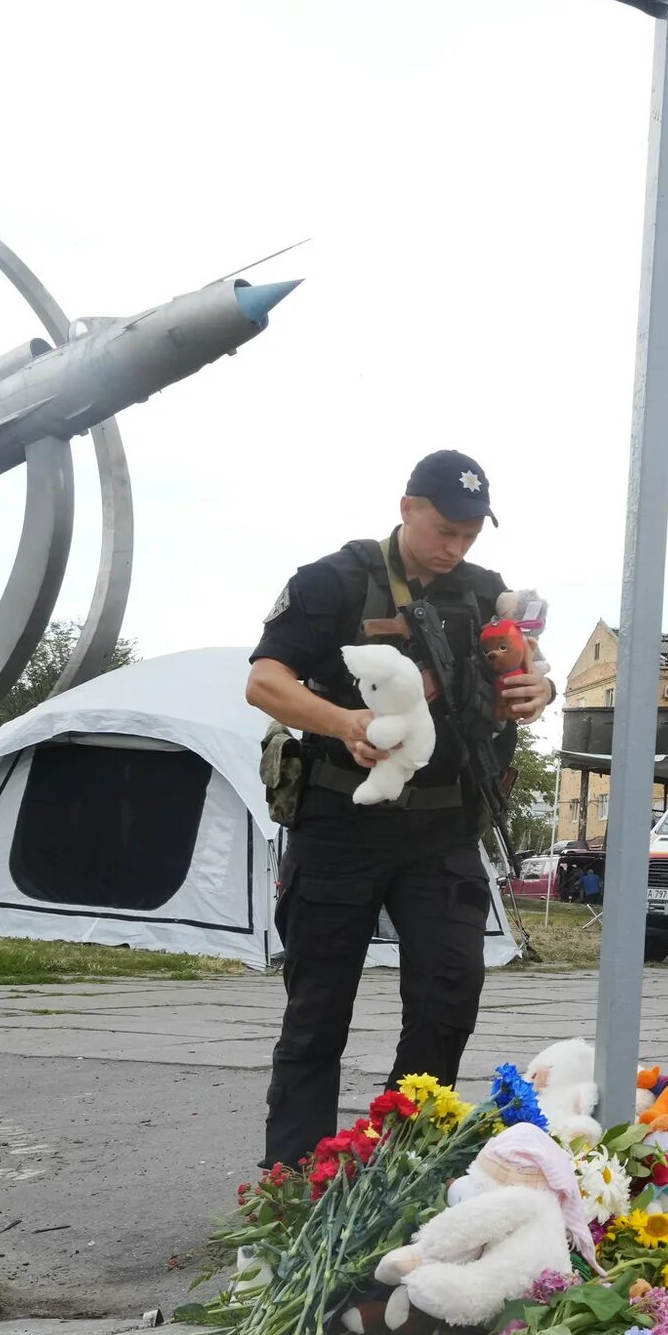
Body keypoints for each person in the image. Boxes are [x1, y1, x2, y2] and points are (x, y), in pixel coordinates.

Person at [247, 451, 553, 1169]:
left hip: (443, 828)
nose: (457, 548)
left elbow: (524, 671)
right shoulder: (332, 580)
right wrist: (344, 723)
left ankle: (404, 1164)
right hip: (340, 825)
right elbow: (265, 682)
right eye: (446, 530)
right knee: (318, 1009)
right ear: (407, 506)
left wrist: (541, 690)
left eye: (472, 534)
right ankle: (296, 1179)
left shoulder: (484, 592)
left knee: (450, 997)